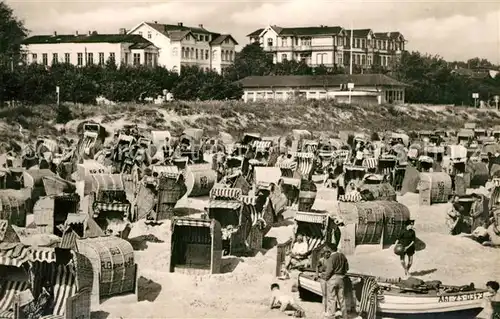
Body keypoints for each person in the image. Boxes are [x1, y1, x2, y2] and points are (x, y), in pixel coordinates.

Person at [324, 244, 349, 319]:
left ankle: (332, 315)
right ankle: (345, 316)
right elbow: (347, 268)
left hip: (333, 278)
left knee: (332, 298)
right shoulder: (342, 256)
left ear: (330, 249)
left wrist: (326, 278)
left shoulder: (331, 257)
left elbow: (329, 270)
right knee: (342, 299)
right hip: (341, 278)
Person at [315, 246, 333, 316]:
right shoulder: (321, 260)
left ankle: (329, 310)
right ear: (324, 253)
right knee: (324, 294)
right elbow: (317, 266)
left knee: (329, 294)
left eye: (328, 252)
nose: (327, 254)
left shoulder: (331, 260)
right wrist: (316, 274)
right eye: (326, 252)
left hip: (330, 278)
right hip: (323, 278)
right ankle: (324, 309)